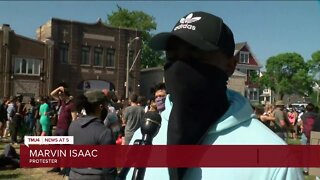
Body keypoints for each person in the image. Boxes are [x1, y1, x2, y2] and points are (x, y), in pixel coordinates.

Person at [128, 11, 303, 180]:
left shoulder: (274, 159)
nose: (180, 69)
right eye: (172, 57)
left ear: (230, 65)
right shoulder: (144, 135)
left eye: (195, 56)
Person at [68, 90, 117, 180]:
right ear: (101, 107)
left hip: (73, 175)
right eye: (107, 105)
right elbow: (109, 169)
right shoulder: (104, 132)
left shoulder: (73, 125)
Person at [48, 86, 77, 174]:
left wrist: (72, 130)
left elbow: (74, 119)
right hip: (58, 128)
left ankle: (66, 168)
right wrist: (59, 88)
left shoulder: (72, 105)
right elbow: (52, 94)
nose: (59, 96)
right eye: (59, 95)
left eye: (61, 94)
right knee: (55, 148)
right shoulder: (62, 102)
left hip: (65, 129)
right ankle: (56, 167)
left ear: (66, 94)